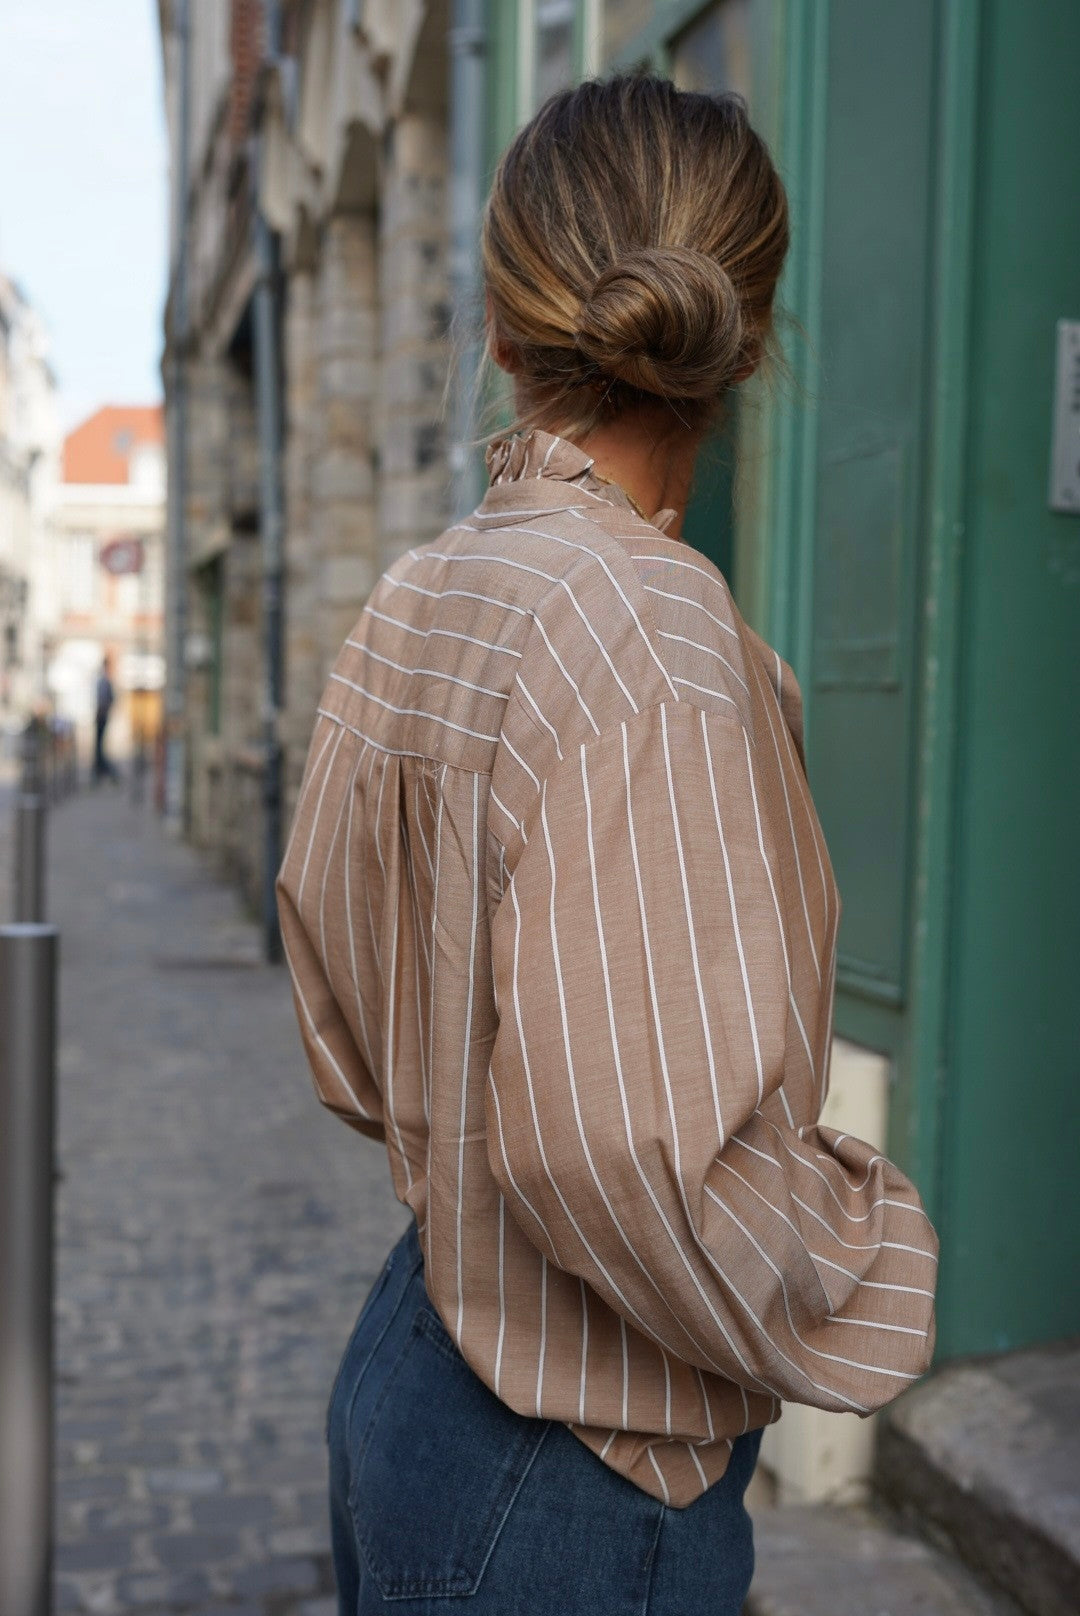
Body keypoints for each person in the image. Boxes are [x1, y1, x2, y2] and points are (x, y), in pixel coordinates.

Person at [276, 74, 939, 1616]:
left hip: (422, 1366)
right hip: (576, 1452)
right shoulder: (652, 634)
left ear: (502, 329)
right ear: (748, 343)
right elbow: (623, 1154)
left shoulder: (430, 590)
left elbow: (343, 1013)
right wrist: (867, 1259)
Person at [93, 652, 120, 785]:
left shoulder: (105, 681)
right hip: (101, 716)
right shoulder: (104, 680)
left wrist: (103, 710)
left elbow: (108, 699)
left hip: (102, 716)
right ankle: (100, 773)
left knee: (99, 748)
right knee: (98, 747)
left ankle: (106, 772)